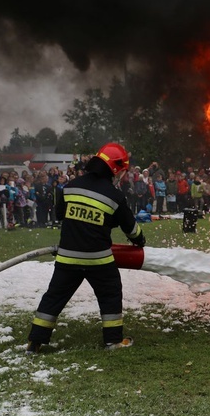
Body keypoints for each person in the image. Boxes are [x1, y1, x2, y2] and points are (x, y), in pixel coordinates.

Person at [26, 142, 146, 355]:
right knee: (110, 293)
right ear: (116, 169)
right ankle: (113, 341)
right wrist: (140, 241)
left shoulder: (71, 186)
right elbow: (131, 228)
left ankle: (35, 342)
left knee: (54, 297)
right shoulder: (114, 195)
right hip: (97, 259)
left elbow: (60, 215)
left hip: (67, 258)